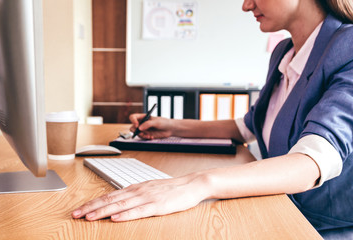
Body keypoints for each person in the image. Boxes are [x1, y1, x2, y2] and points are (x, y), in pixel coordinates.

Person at [73, 0, 353, 238]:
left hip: (316, 228)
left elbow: (310, 163)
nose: (246, 5)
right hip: (275, 209)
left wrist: (197, 184)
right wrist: (172, 126)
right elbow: (249, 126)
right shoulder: (283, 53)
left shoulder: (347, 46)